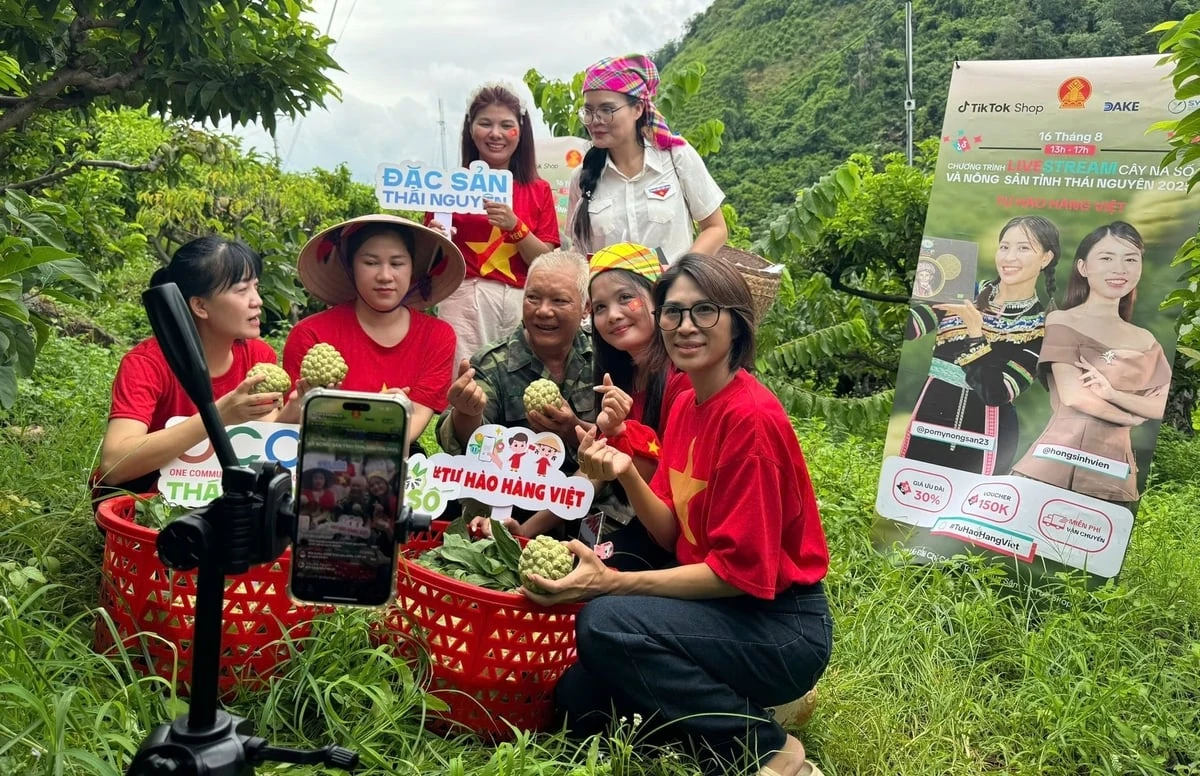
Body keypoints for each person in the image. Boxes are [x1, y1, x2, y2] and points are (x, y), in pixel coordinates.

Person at [526, 253, 832, 776]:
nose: (685, 326)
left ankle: (769, 749)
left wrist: (611, 585)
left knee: (606, 621)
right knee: (580, 703)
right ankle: (731, 707)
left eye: (704, 311)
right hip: (727, 614)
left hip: (779, 626)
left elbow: (738, 577)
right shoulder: (689, 399)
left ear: (737, 322)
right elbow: (669, 527)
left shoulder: (750, 420)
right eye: (673, 312)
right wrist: (626, 470)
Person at [98, 236, 298, 498]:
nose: (257, 301)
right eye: (241, 290)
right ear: (200, 306)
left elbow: (261, 431)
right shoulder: (147, 364)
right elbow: (114, 465)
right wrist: (218, 415)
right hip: (150, 506)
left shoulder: (258, 355)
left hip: (223, 501)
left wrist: (295, 411)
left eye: (256, 287)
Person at [1011, 222, 1170, 504]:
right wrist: (1128, 417)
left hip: (1114, 474)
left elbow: (1160, 405)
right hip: (1053, 463)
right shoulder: (1061, 320)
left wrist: (1112, 394)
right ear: (1083, 268)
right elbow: (1074, 395)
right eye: (1107, 258)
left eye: (1130, 259)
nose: (1120, 269)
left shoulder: (1146, 340)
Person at [436, 250, 597, 528]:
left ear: (585, 308)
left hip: (585, 503)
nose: (543, 310)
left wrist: (572, 430)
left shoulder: (602, 358)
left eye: (559, 300)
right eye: (533, 297)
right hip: (509, 506)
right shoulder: (492, 362)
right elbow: (471, 445)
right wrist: (467, 412)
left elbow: (619, 446)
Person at [285, 214, 466, 450]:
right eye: (370, 263)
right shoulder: (310, 334)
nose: (385, 276)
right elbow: (291, 418)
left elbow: (413, 425)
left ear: (413, 269)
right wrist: (382, 416)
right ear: (350, 267)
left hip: (397, 455)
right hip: (320, 454)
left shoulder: (437, 336)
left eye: (397, 263)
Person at [900, 215, 1061, 476]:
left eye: (1023, 248)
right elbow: (906, 329)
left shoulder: (1042, 326)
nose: (1009, 257)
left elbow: (996, 393)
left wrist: (976, 334)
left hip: (990, 434)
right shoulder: (963, 290)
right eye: (1004, 247)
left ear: (1046, 258)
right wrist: (920, 284)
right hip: (928, 419)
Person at [426, 82, 561, 365]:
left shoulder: (538, 189)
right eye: (485, 123)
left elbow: (546, 262)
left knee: (521, 387)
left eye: (506, 125)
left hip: (524, 301)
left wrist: (516, 226)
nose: (496, 134)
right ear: (470, 130)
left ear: (521, 132)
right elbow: (430, 260)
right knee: (466, 382)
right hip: (464, 299)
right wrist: (431, 238)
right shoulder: (446, 186)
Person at [567, 54, 727, 263]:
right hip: (607, 295)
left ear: (638, 108)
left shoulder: (675, 157)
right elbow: (578, 252)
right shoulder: (581, 177)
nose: (595, 120)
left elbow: (715, 228)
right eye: (588, 111)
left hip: (672, 294)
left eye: (607, 110)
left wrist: (679, 277)